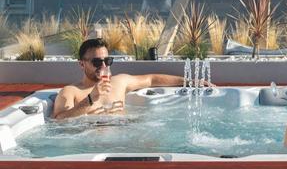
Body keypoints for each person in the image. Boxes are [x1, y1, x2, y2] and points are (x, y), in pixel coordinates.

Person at [52, 38, 189, 120]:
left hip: (123, 136)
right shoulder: (70, 92)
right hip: (91, 143)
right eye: (97, 62)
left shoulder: (119, 82)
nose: (104, 66)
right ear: (82, 64)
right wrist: (90, 99)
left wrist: (189, 81)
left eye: (107, 60)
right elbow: (59, 121)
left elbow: (152, 79)